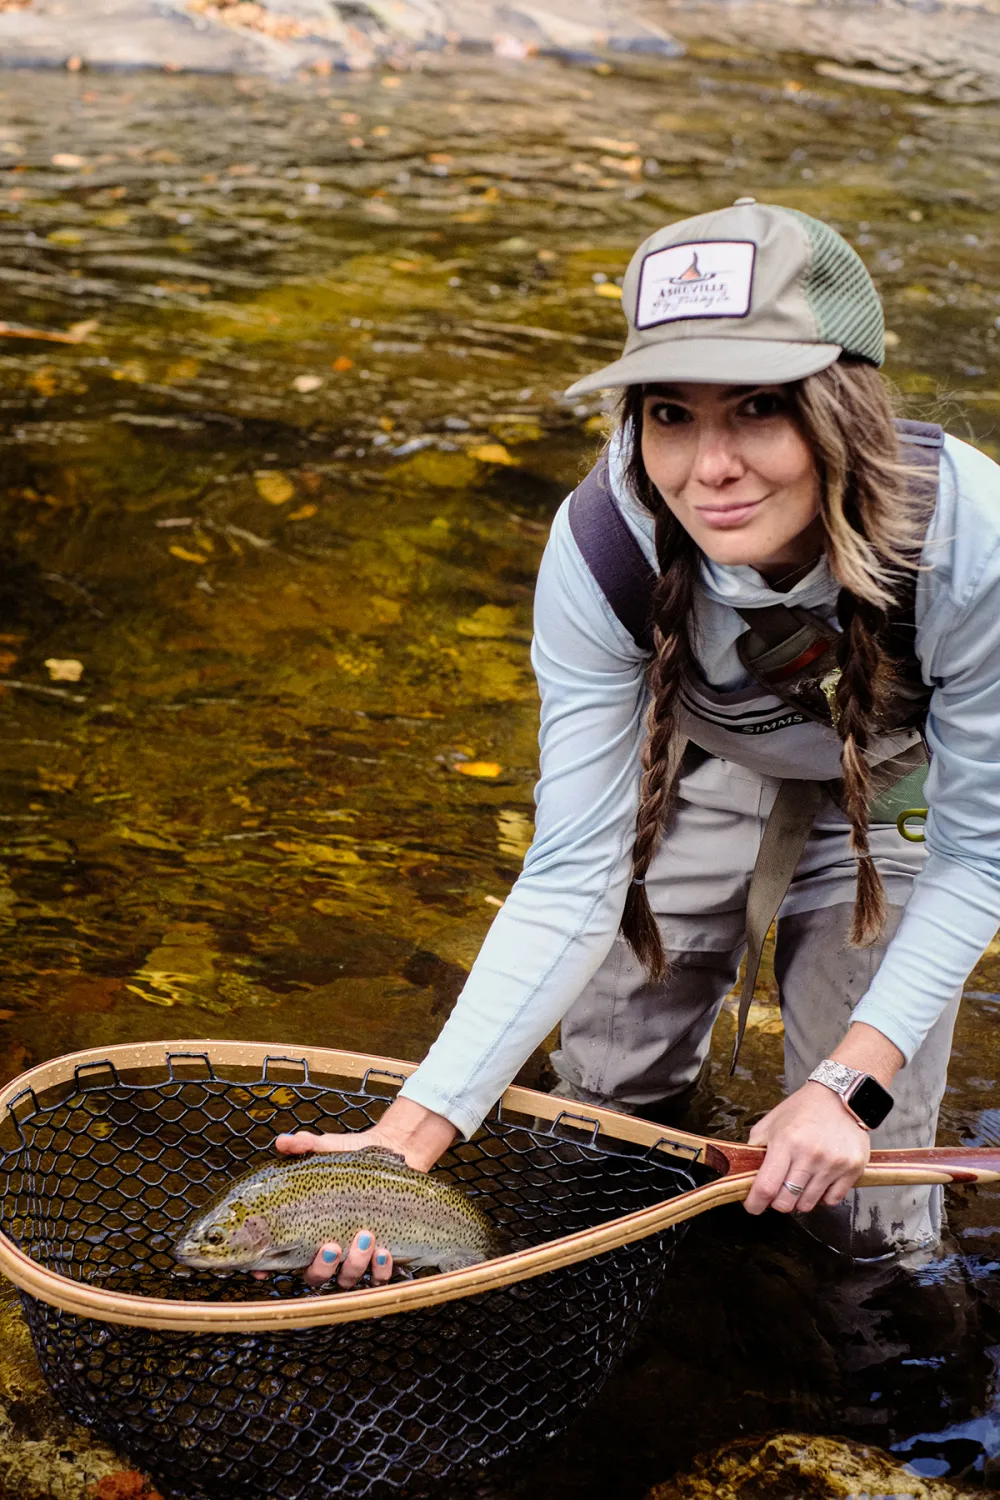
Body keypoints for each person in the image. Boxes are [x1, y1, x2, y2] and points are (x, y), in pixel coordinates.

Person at [265, 198, 1000, 1293]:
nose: (710, 467)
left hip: (901, 783)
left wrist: (846, 1088)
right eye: (668, 412)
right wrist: (408, 1138)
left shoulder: (968, 539)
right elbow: (570, 874)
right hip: (706, 754)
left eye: (758, 407)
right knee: (599, 1102)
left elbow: (979, 858)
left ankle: (877, 1370)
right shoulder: (601, 546)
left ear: (843, 409)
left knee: (863, 1191)